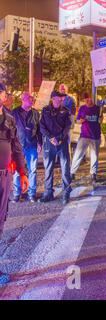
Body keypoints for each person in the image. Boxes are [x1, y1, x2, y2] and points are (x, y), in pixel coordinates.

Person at [0, 83, 28, 286]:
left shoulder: (9, 119)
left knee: (0, 220)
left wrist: (23, 173)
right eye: (4, 92)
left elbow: (16, 148)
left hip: (4, 176)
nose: (6, 95)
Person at [39, 91, 73, 205]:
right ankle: (48, 193)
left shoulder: (66, 111)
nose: (60, 101)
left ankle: (66, 192)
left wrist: (58, 138)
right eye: (58, 99)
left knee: (65, 168)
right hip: (49, 143)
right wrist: (50, 138)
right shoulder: (45, 110)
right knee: (48, 168)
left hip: (61, 142)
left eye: (61, 99)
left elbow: (67, 127)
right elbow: (42, 126)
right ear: (53, 99)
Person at [11, 92, 42, 203]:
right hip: (17, 146)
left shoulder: (36, 113)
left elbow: (39, 130)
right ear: (23, 99)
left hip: (32, 145)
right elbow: (11, 129)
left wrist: (40, 143)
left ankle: (31, 194)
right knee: (17, 171)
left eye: (33, 98)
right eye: (30, 98)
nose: (32, 100)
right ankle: (17, 194)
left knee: (32, 170)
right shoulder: (14, 113)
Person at [70, 92, 103, 183]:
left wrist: (100, 117)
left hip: (95, 135)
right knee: (78, 154)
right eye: (86, 99)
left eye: (90, 99)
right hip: (84, 135)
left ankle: (93, 173)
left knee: (94, 155)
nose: (88, 100)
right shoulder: (82, 108)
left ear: (93, 99)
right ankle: (72, 172)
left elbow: (100, 120)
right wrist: (81, 120)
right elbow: (78, 120)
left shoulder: (98, 108)